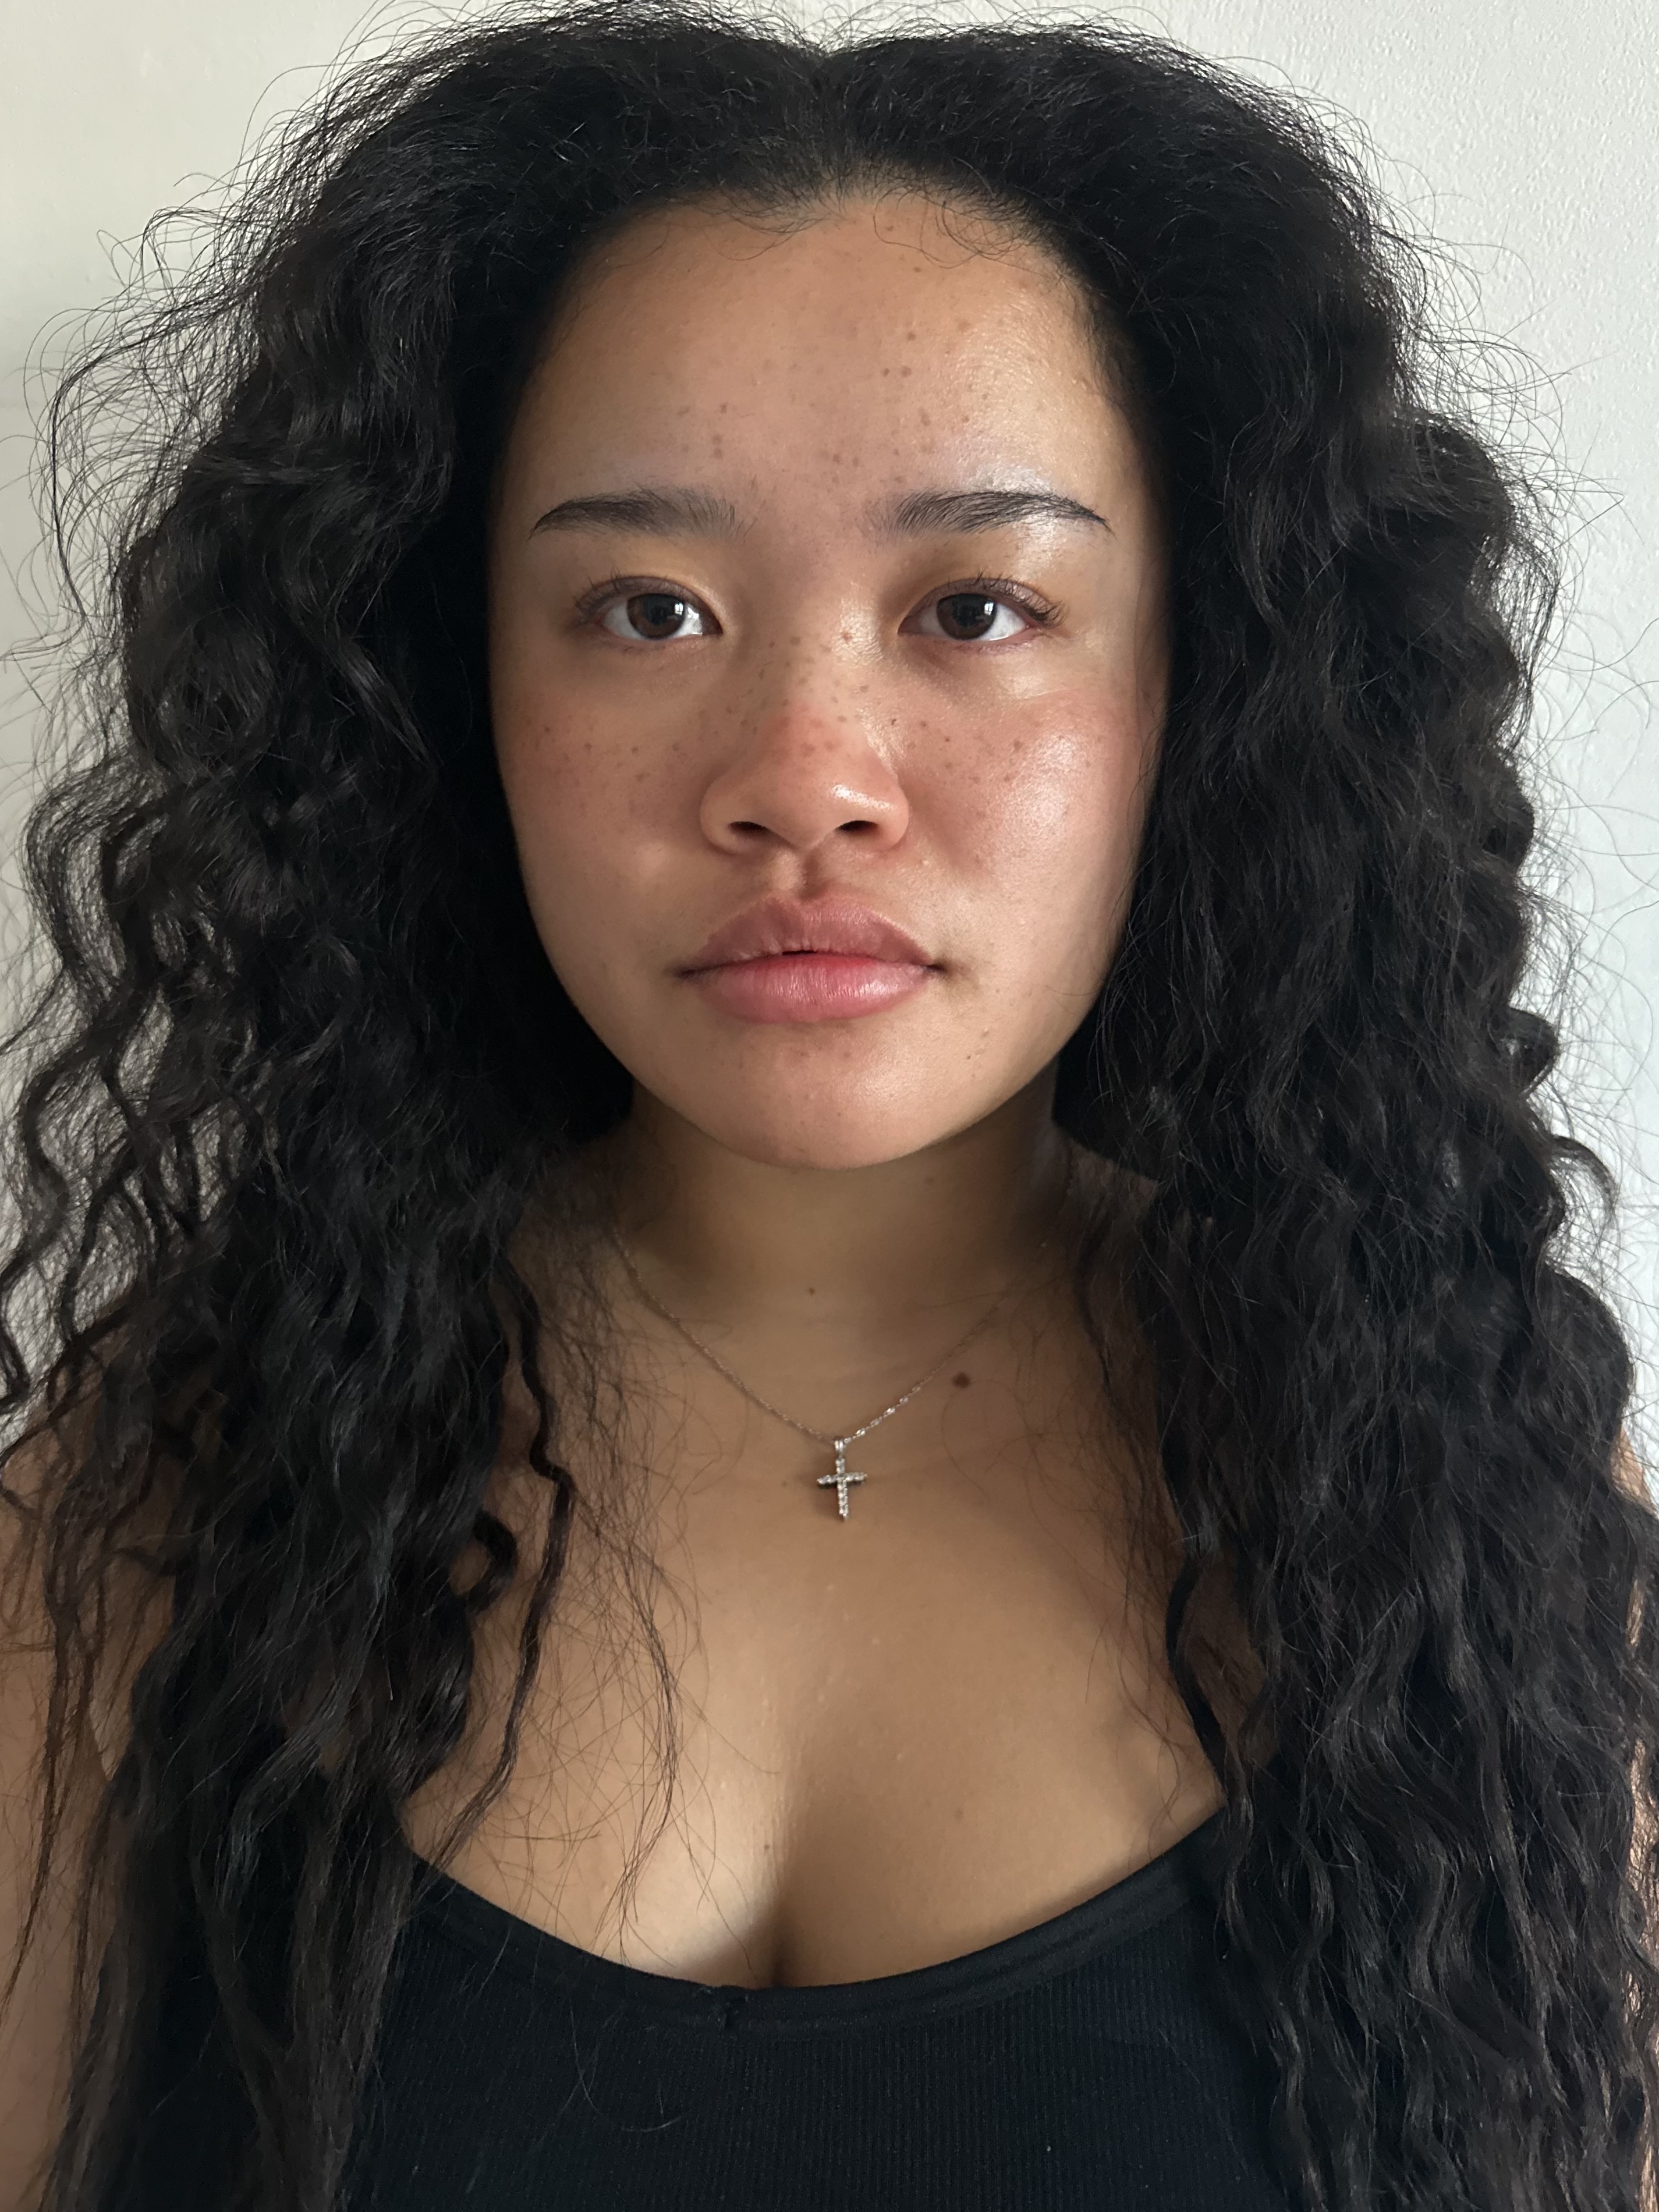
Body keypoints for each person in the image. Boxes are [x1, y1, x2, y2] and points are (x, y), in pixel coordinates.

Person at [1, 4, 1653, 2207]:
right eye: (645, 609)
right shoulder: (160, 1498)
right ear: (449, 685)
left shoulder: (1468, 1494)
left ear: (1196, 689)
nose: (802, 775)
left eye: (975, 605)